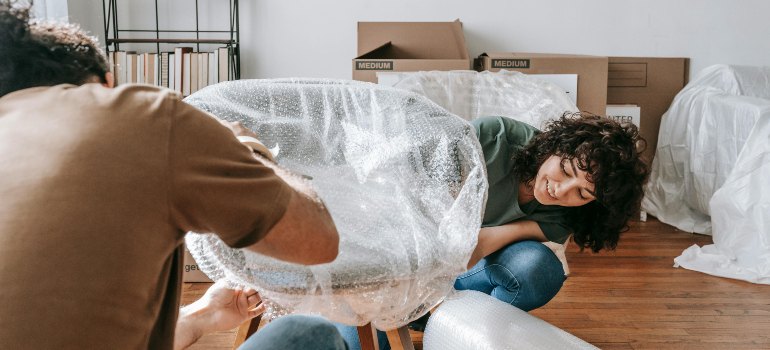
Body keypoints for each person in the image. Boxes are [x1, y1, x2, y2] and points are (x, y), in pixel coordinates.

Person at [0, 2, 348, 349]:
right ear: (107, 84)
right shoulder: (145, 116)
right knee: (308, 334)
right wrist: (249, 149)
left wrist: (200, 316)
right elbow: (318, 241)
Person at [338, 113, 649, 350]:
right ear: (556, 147)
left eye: (582, 193)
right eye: (566, 171)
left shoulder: (570, 215)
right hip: (408, 251)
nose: (561, 191)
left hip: (466, 266)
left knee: (538, 268)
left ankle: (451, 327)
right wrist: (404, 283)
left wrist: (442, 284)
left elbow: (482, 244)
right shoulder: (493, 137)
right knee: (359, 340)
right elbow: (419, 209)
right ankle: (422, 315)